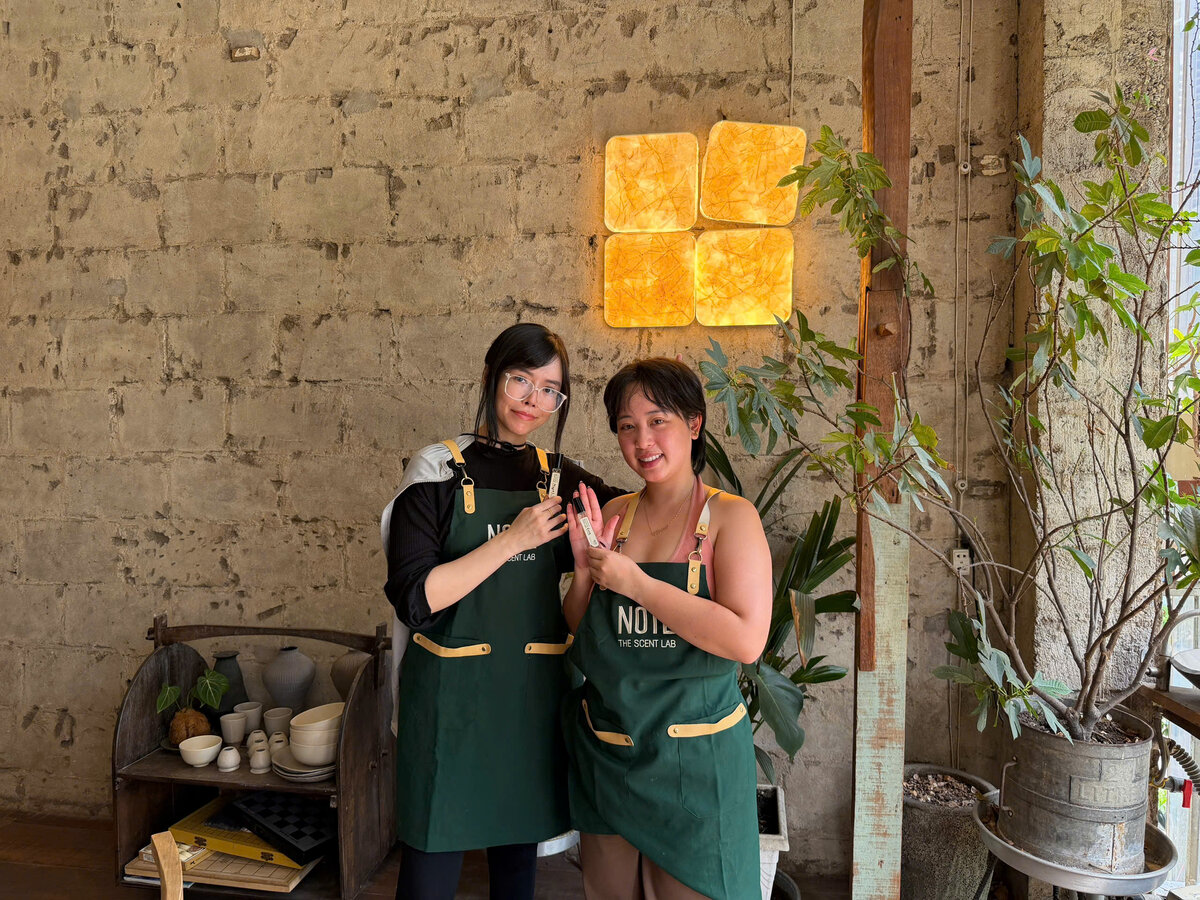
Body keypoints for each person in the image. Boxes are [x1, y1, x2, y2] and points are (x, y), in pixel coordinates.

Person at [381, 323, 622, 900]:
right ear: (492, 375)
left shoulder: (557, 477)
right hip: (448, 705)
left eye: (549, 390)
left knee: (516, 870)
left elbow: (634, 514)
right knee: (429, 871)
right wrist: (512, 540)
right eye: (521, 380)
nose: (532, 401)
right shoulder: (435, 470)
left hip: (528, 702)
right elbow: (417, 599)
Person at [562, 357, 773, 900]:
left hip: (695, 766)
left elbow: (746, 640)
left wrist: (636, 584)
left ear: (694, 424)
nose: (643, 440)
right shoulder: (615, 513)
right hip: (612, 753)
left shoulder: (732, 518)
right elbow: (583, 631)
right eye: (627, 426)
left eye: (658, 420)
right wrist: (586, 574)